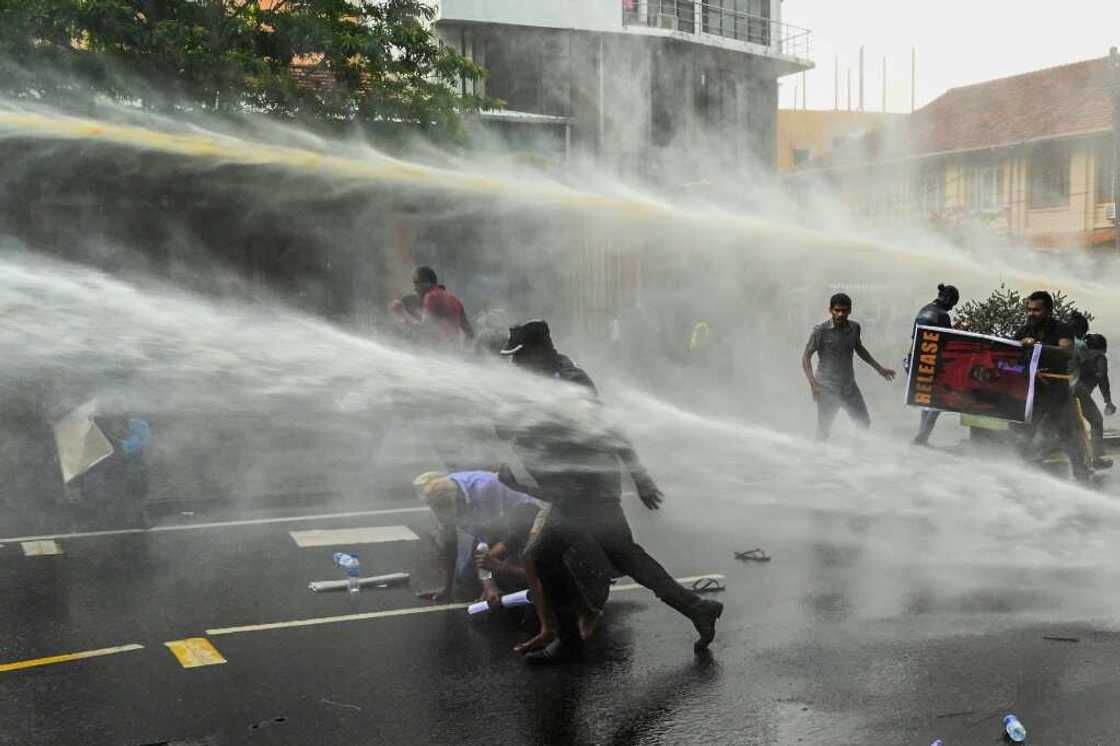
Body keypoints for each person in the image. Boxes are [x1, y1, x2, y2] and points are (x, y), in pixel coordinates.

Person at [497, 319, 723, 662]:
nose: (514, 363)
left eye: (520, 355)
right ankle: (695, 608)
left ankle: (569, 631)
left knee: (545, 556)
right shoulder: (543, 377)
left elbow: (607, 428)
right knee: (622, 554)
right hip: (580, 486)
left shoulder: (569, 381)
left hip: (589, 487)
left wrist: (640, 475)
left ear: (541, 349)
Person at [414, 470, 541, 606]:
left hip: (523, 521)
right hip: (492, 530)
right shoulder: (438, 493)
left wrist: (490, 585)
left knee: (513, 574)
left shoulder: (483, 489)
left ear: (458, 500)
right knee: (466, 580)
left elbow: (489, 539)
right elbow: (450, 545)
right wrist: (447, 588)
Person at [1013, 290, 1089, 481]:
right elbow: (1011, 356)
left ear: (1048, 311)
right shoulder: (1024, 331)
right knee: (1022, 431)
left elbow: (1066, 351)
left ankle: (1081, 476)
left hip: (1057, 390)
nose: (1031, 313)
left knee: (1069, 433)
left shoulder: (1061, 329)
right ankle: (1017, 473)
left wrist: (1038, 346)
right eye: (1029, 309)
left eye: (1036, 310)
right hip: (1033, 390)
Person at [802, 293, 897, 441]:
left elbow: (859, 348)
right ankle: (817, 457)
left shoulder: (854, 327)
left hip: (848, 386)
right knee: (824, 428)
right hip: (827, 386)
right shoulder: (820, 331)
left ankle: (856, 456)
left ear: (850, 310)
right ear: (830, 310)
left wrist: (880, 369)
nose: (840, 314)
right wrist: (813, 384)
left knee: (863, 422)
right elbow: (806, 357)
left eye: (844, 311)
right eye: (837, 310)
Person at [911, 284, 959, 445]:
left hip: (918, 360)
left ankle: (922, 435)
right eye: (952, 304)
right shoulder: (943, 314)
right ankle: (922, 438)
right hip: (934, 362)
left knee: (926, 400)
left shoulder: (924, 310)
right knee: (938, 402)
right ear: (948, 299)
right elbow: (949, 341)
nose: (951, 308)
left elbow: (916, 337)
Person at [1075, 333, 1115, 469]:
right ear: (1103, 347)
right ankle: (1097, 458)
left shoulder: (1080, 354)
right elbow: (1102, 376)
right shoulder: (1099, 356)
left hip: (1065, 391)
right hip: (1080, 393)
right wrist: (1108, 401)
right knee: (1097, 421)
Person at [411, 266, 473, 346]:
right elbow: (470, 333)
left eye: (416, 283)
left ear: (426, 282)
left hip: (438, 351)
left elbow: (425, 327)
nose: (414, 288)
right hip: (453, 351)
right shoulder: (455, 300)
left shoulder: (431, 297)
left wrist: (402, 314)